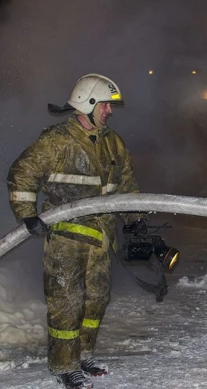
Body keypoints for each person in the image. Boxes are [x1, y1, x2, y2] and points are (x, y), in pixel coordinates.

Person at [7, 73, 147, 389]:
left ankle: (83, 356)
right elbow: (21, 176)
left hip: (100, 237)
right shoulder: (56, 142)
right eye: (106, 106)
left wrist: (134, 218)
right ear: (88, 104)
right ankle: (64, 365)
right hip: (66, 239)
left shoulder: (113, 143)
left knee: (96, 300)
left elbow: (126, 186)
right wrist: (27, 216)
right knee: (66, 302)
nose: (110, 112)